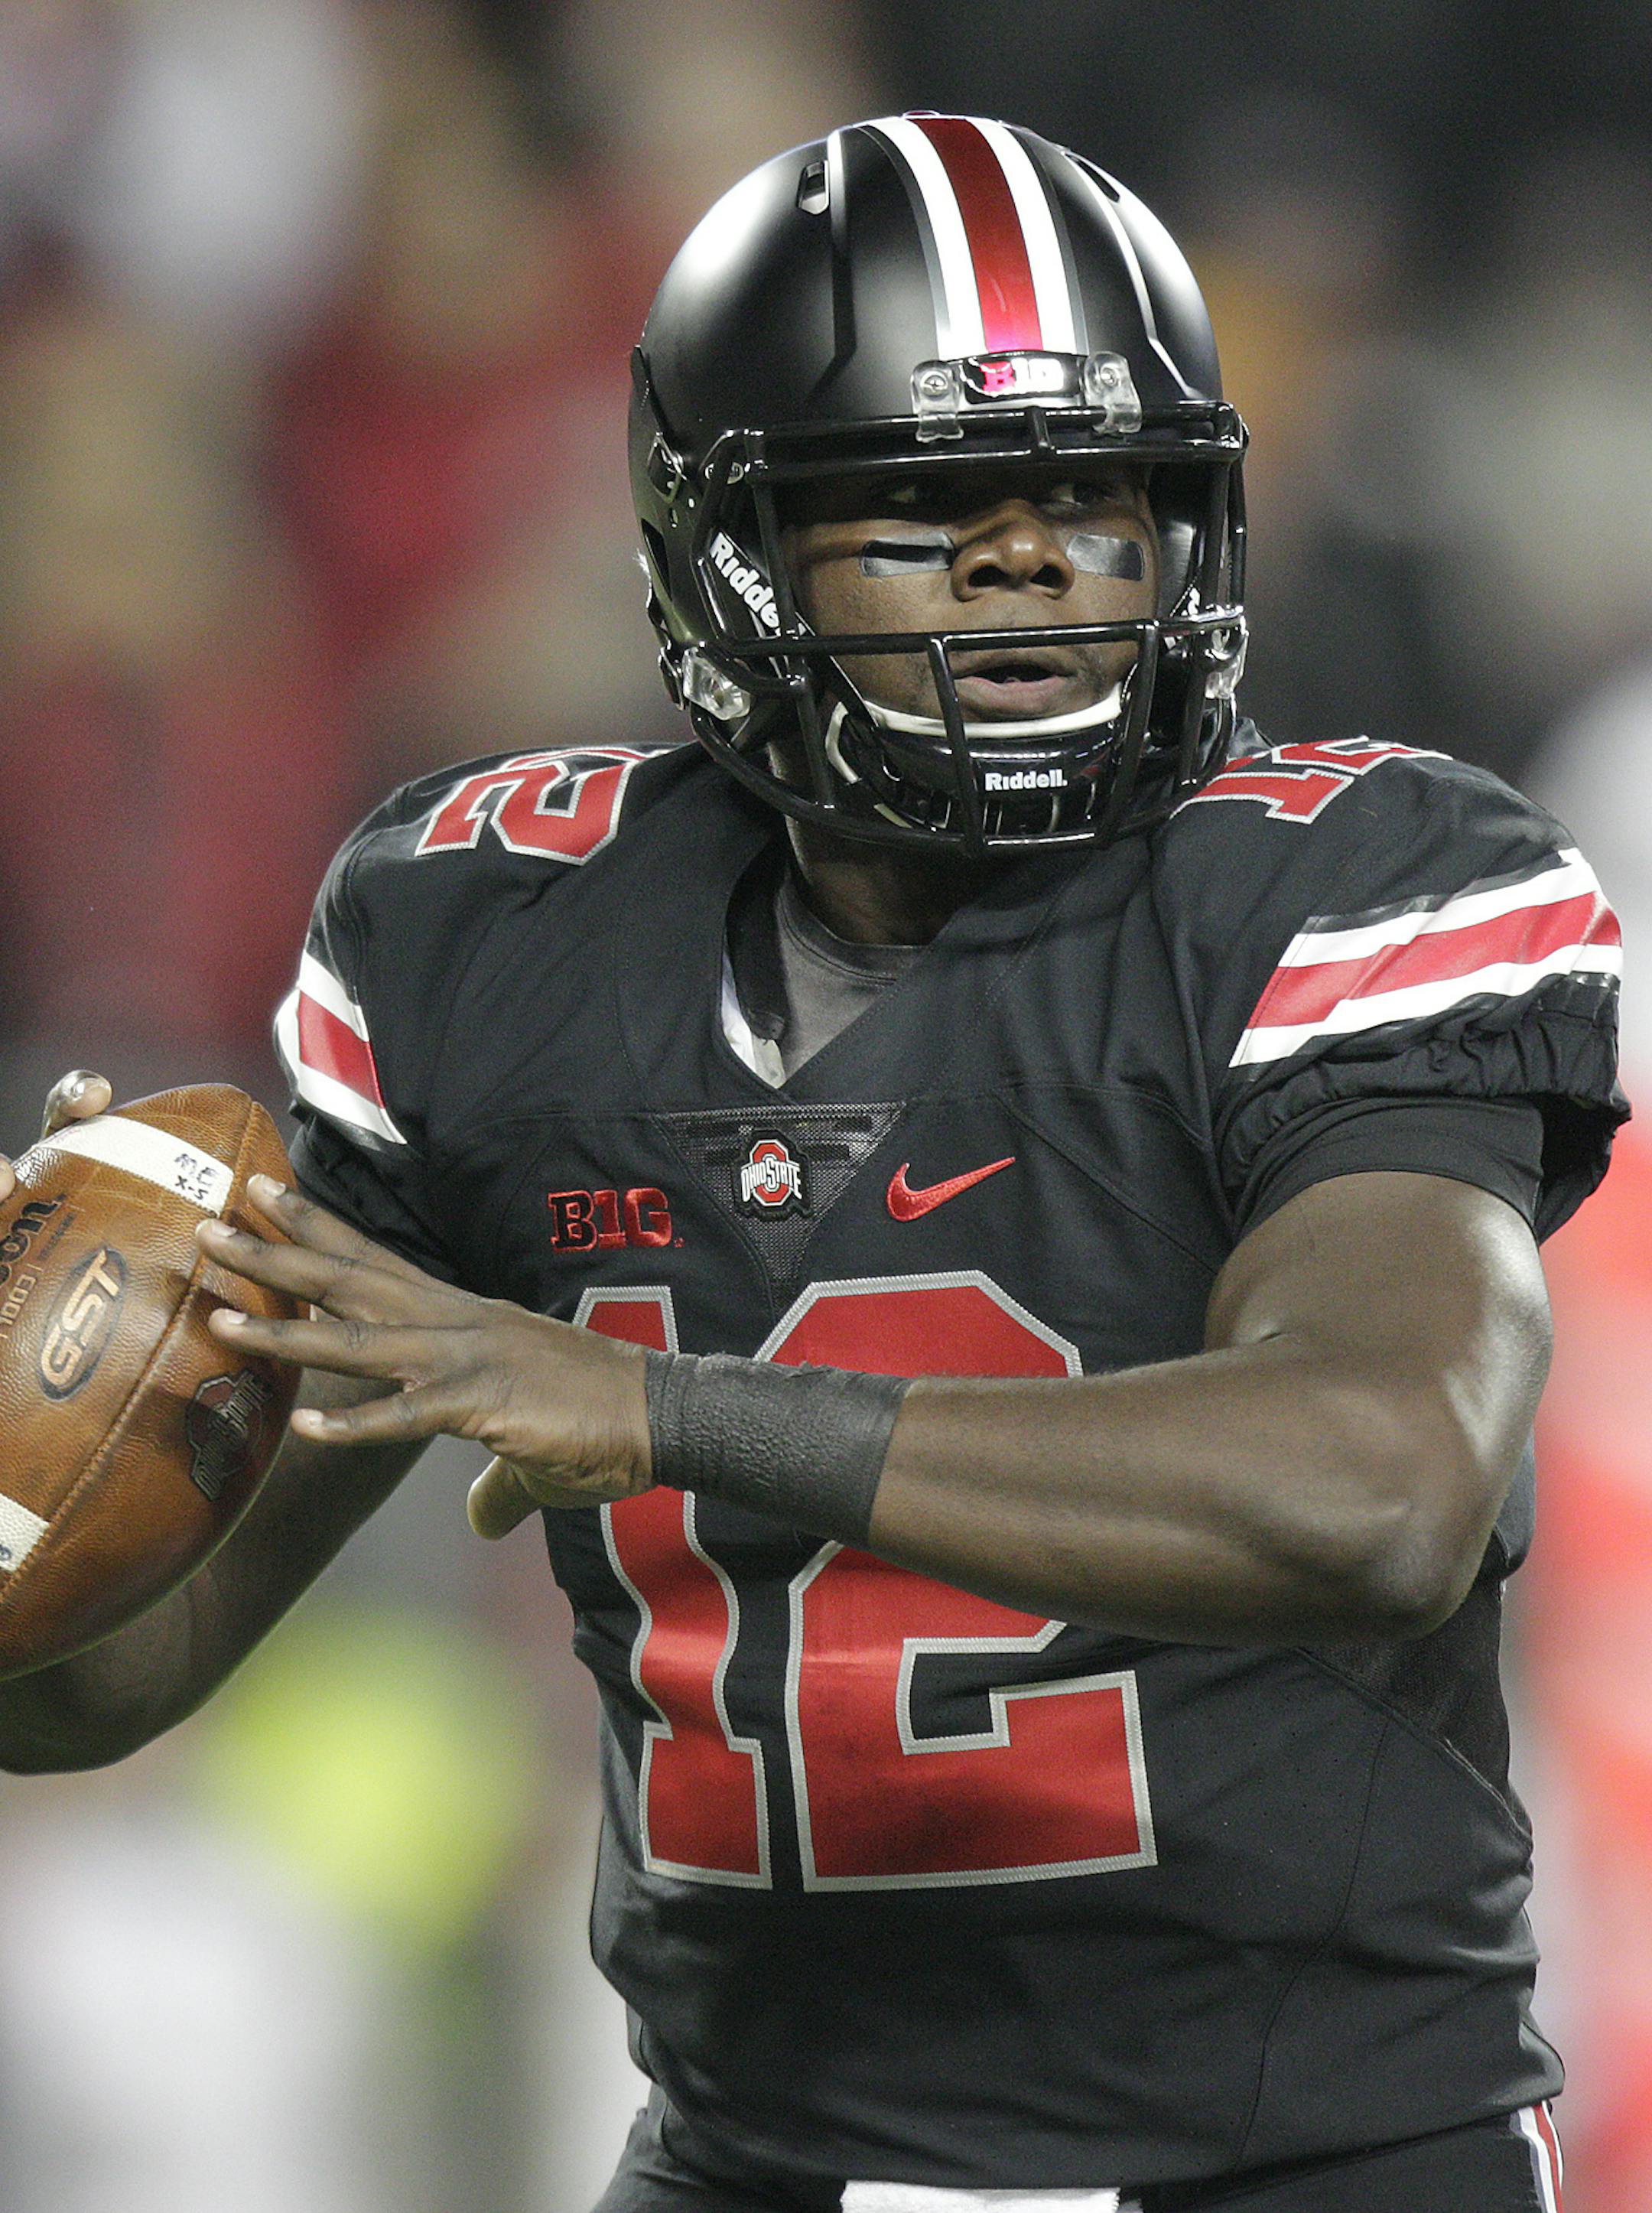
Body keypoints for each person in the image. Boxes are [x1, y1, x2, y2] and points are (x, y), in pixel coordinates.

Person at [0, 116, 1621, 2213]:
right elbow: (106, 1684)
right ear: (725, 555)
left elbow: (1385, 1484)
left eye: (1097, 496)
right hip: (756, 2159)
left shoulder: (1353, 884)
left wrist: (667, 1408)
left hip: (1295, 2161)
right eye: (932, 506)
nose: (1035, 558)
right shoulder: (482, 935)